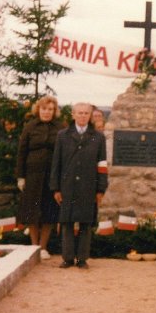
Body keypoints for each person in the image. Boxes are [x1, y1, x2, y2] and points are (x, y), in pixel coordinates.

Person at [50, 102, 108, 269]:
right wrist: (56, 188)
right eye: (79, 113)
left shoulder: (98, 137)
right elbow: (56, 163)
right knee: (67, 221)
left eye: (86, 113)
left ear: (90, 116)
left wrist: (101, 188)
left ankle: (82, 258)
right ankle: (67, 258)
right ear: (73, 115)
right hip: (67, 186)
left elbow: (102, 164)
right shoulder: (62, 135)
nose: (83, 116)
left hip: (88, 186)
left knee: (86, 222)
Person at [16, 95, 65, 260]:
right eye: (44, 109)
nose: (46, 112)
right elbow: (22, 153)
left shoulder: (60, 128)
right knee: (32, 211)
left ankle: (43, 247)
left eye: (50, 109)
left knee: (49, 212)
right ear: (38, 109)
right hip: (32, 175)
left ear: (54, 111)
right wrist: (20, 177)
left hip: (52, 176)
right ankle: (34, 247)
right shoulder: (29, 127)